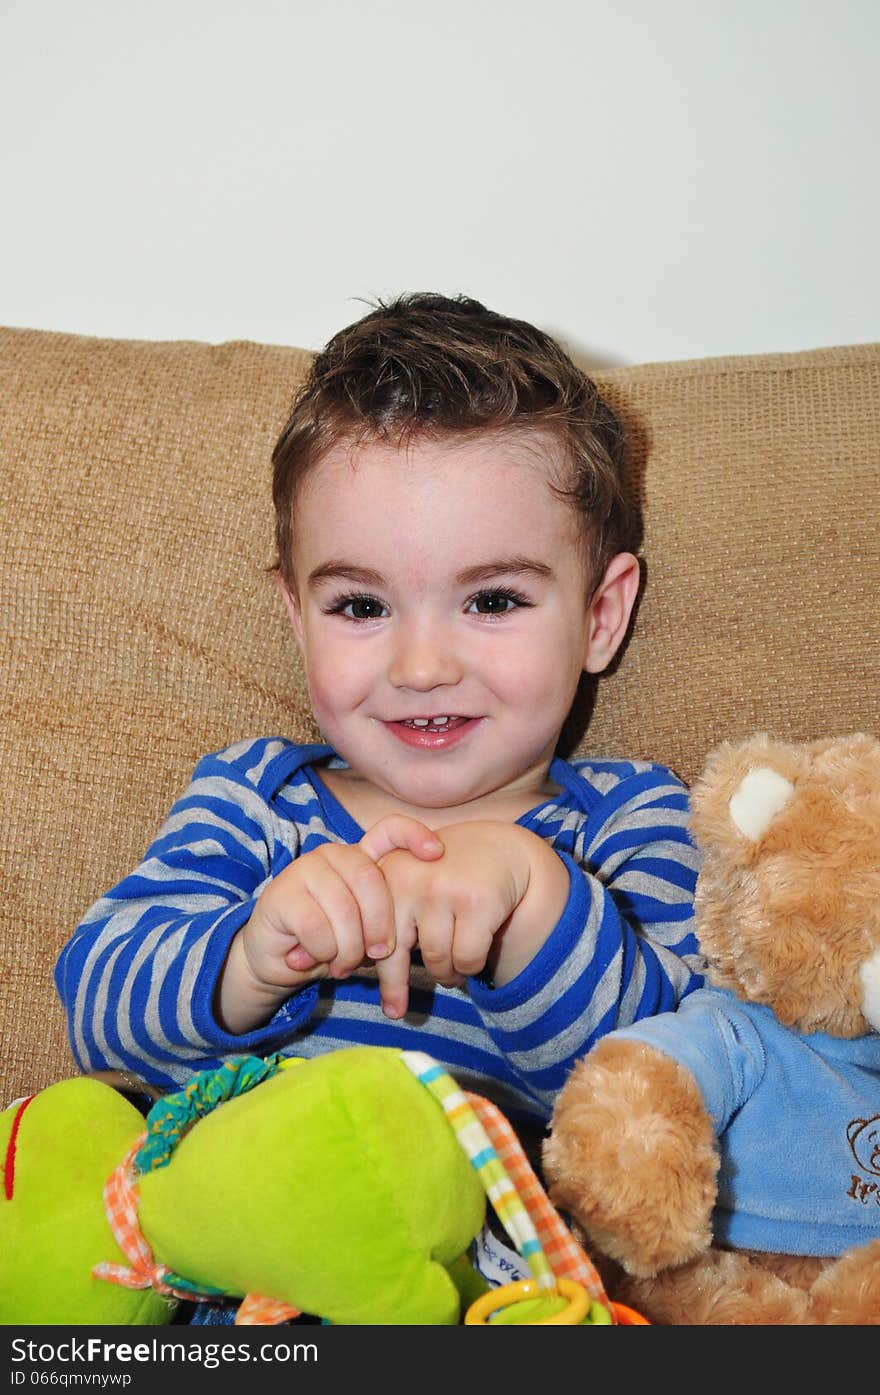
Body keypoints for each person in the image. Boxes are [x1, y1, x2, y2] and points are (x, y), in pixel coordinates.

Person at [55, 293, 704, 1133]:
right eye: (362, 607)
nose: (422, 667)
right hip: (229, 1235)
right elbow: (97, 1006)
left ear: (601, 616)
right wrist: (254, 954)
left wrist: (534, 902)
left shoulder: (632, 822)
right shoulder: (254, 797)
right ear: (297, 616)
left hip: (497, 1254)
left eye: (494, 598)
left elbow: (688, 1079)